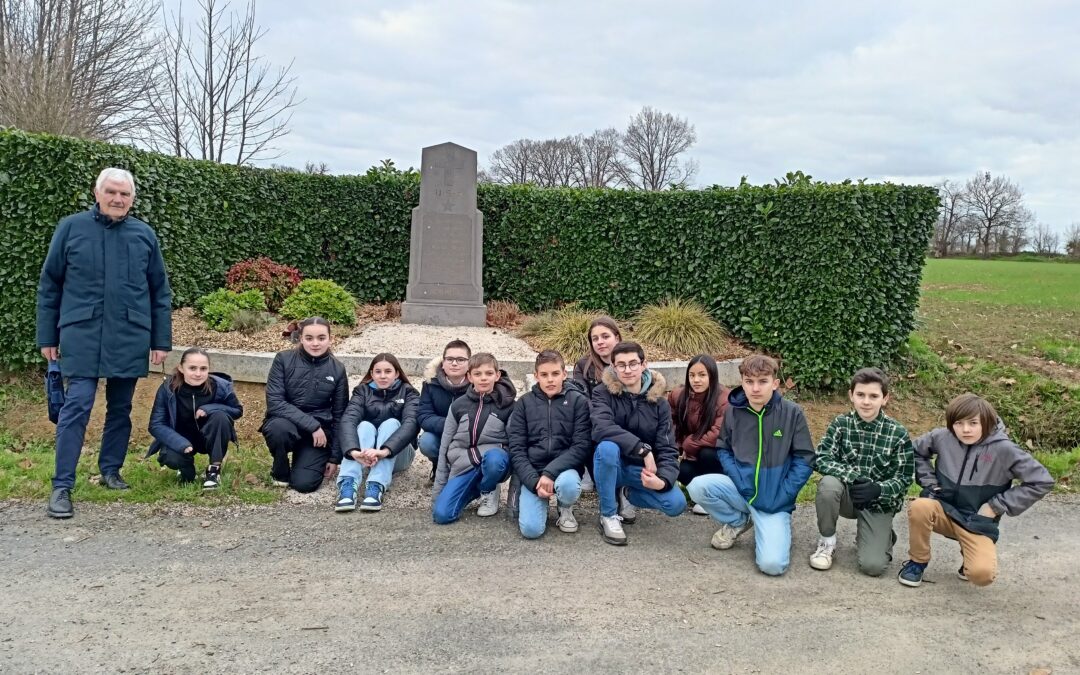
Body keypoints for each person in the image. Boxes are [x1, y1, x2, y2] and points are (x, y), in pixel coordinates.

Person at [37, 167, 172, 519]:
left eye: (124, 194)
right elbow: (50, 285)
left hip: (129, 333)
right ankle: (62, 485)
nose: (117, 199)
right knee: (76, 407)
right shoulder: (71, 228)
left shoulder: (144, 235)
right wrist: (47, 337)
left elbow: (159, 290)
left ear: (132, 199)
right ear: (97, 194)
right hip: (81, 334)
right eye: (111, 192)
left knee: (121, 408)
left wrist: (160, 340)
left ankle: (110, 471)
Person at [898, 393, 1053, 588]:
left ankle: (969, 557)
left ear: (986, 422)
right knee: (920, 506)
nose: (965, 430)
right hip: (944, 509)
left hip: (977, 521)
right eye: (958, 423)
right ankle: (917, 562)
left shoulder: (1005, 449)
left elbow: (1042, 481)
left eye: (973, 423)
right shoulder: (942, 437)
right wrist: (930, 483)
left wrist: (995, 506)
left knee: (981, 575)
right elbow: (914, 451)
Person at [687, 354, 815, 576]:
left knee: (772, 566)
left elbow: (805, 458)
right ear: (742, 382)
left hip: (775, 499)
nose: (755, 388)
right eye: (749, 381)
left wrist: (785, 493)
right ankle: (739, 520)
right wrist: (737, 477)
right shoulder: (733, 411)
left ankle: (772, 526)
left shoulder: (792, 413)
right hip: (742, 490)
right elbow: (724, 449)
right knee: (697, 486)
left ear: (775, 383)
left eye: (762, 381)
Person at [809, 368, 914, 575]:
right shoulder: (841, 424)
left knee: (872, 567)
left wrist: (878, 489)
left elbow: (904, 477)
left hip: (878, 502)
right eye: (861, 395)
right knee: (828, 485)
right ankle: (827, 542)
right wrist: (853, 477)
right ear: (851, 396)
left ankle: (880, 537)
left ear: (885, 399)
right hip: (847, 495)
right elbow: (820, 457)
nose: (866, 402)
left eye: (874, 396)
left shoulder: (898, 433)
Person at [591, 342, 686, 546]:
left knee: (675, 504)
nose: (627, 370)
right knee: (607, 447)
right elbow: (601, 427)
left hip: (639, 471)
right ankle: (608, 514)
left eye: (633, 363)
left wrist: (664, 480)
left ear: (644, 364)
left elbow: (668, 447)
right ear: (614, 368)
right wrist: (642, 450)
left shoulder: (659, 402)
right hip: (610, 465)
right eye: (621, 365)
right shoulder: (602, 393)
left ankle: (627, 493)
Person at [508, 350, 591, 539]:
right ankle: (540, 502)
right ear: (536, 376)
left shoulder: (578, 402)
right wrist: (534, 481)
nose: (550, 380)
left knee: (568, 485)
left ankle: (565, 507)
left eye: (555, 374)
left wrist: (550, 473)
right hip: (534, 472)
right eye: (544, 375)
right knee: (531, 530)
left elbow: (581, 446)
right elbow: (517, 449)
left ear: (564, 374)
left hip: (565, 469)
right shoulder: (524, 403)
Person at [260, 317, 348, 493]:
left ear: (330, 339)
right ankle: (280, 470)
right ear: (300, 338)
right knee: (277, 429)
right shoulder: (283, 359)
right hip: (287, 424)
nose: (315, 343)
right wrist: (312, 425)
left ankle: (303, 462)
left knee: (304, 485)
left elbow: (340, 414)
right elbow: (275, 403)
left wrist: (334, 457)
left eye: (321, 338)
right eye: (309, 338)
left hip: (318, 436)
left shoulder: (337, 369)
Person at [432, 353, 517, 524]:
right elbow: (445, 445)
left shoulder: (509, 405)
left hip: (494, 461)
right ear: (469, 376)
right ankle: (476, 488)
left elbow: (515, 445)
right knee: (442, 515)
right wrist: (439, 491)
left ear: (497, 375)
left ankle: (489, 488)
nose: (483, 378)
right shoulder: (458, 406)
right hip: (463, 464)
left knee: (495, 460)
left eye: (489, 373)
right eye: (477, 374)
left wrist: (513, 502)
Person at [147, 348, 243, 490]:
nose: (198, 374)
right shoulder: (168, 388)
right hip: (181, 437)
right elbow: (156, 424)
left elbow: (237, 410)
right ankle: (186, 470)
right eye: (192, 368)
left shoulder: (221, 386)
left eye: (203, 369)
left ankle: (213, 471)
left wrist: (211, 408)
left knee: (221, 417)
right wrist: (179, 443)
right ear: (181, 368)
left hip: (207, 437)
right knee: (171, 457)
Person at [335, 353, 419, 512]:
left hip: (398, 455)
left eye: (388, 371)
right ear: (371, 374)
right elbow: (348, 420)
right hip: (365, 457)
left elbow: (411, 424)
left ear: (397, 373)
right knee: (365, 425)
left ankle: (376, 485)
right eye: (378, 372)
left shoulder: (409, 392)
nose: (383, 376)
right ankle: (348, 484)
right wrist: (353, 451)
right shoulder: (362, 391)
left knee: (391, 423)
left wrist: (384, 451)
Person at [668, 354, 729, 515]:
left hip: (718, 453)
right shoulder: (678, 395)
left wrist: (688, 445)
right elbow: (672, 425)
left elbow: (718, 433)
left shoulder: (724, 399)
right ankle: (701, 496)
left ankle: (715, 494)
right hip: (693, 453)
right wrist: (677, 448)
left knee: (707, 454)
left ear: (712, 376)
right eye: (692, 375)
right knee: (681, 470)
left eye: (702, 375)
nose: (696, 380)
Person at [572, 316, 622, 492]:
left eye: (605, 336)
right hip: (594, 420)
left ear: (617, 337)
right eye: (595, 339)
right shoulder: (584, 365)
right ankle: (586, 466)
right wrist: (600, 416)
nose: (600, 342)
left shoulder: (629, 361)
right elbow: (580, 396)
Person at [417, 340, 472, 482]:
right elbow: (424, 416)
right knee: (426, 441)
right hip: (440, 434)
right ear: (443, 362)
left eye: (460, 359)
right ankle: (439, 466)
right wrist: (450, 425)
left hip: (469, 436)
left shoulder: (477, 385)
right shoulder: (431, 384)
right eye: (449, 359)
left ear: (469, 363)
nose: (454, 363)